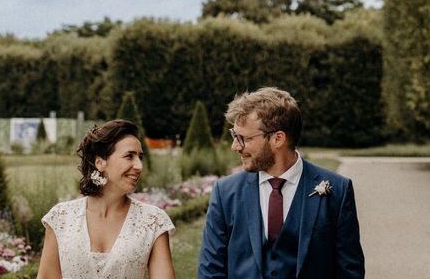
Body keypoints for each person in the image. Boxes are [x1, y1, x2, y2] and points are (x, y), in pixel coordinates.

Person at [198, 87, 365, 278]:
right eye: (234, 136)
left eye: (243, 138)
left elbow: (350, 271)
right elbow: (210, 270)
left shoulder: (338, 190)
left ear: (278, 138)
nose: (235, 146)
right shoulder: (225, 192)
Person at [37, 119, 176, 279]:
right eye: (129, 156)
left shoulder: (153, 221)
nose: (139, 166)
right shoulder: (60, 218)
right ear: (100, 162)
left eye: (140, 157)